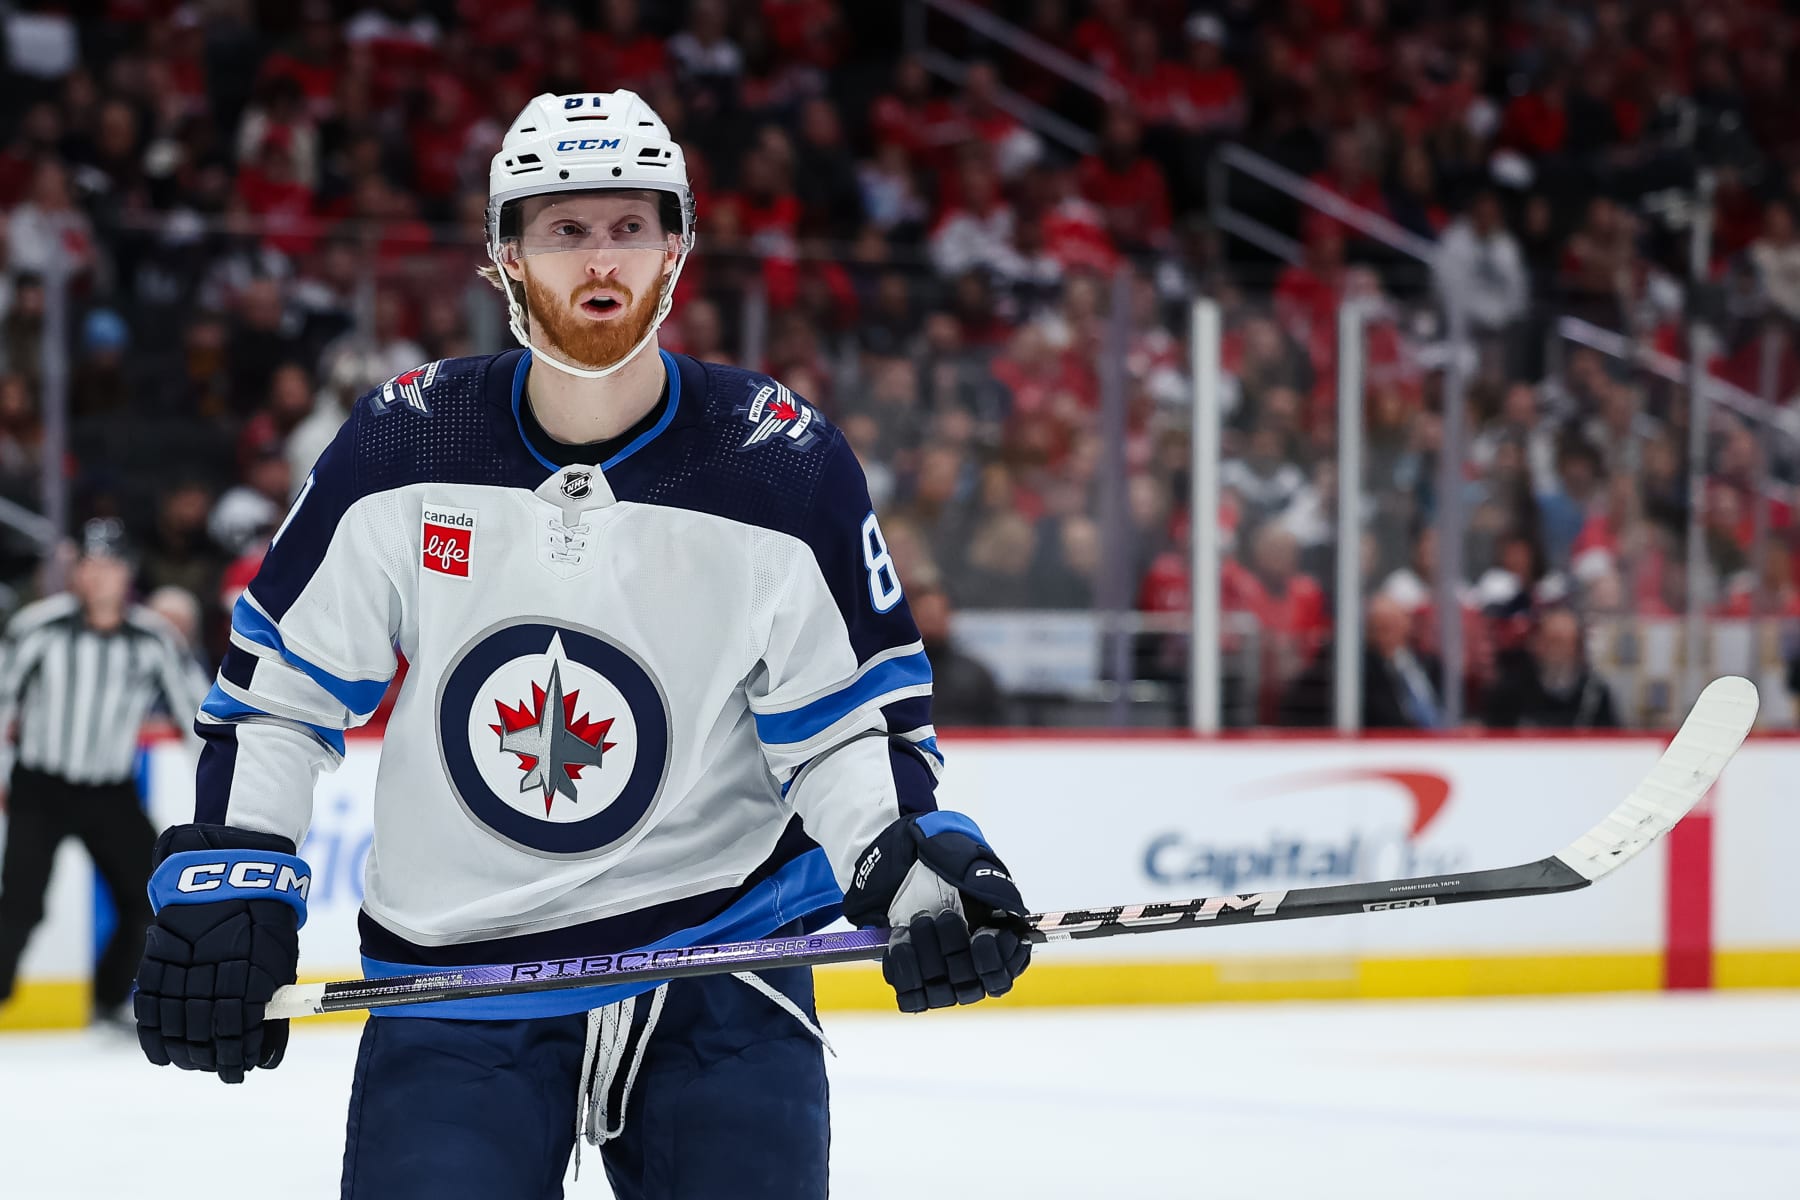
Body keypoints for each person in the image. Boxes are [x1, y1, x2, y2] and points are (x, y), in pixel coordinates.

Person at [132, 91, 1032, 1200]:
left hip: (722, 963)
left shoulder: (782, 466)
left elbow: (845, 728)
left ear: (676, 248)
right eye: (565, 228)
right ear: (505, 254)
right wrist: (239, 872)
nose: (600, 259)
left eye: (629, 226)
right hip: (459, 979)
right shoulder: (403, 447)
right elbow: (281, 694)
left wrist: (911, 863)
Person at [0, 520, 208, 1025]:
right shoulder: (39, 627)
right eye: (90, 564)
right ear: (77, 571)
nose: (98, 576)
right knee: (21, 906)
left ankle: (112, 995)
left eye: (109, 565)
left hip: (111, 791)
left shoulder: (153, 638)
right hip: (39, 787)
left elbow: (195, 714)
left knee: (152, 896)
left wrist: (217, 789)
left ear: (126, 572)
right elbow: (3, 698)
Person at [1484, 607, 1619, 729]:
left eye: (1567, 642)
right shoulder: (1511, 691)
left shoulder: (1595, 693)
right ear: (1537, 643)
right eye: (1553, 641)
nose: (1558, 651)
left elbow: (1611, 740)